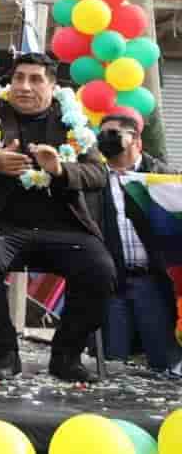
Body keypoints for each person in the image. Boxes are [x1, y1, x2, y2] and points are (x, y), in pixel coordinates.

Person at [0, 53, 114, 382]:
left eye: (35, 79)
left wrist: (59, 169)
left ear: (53, 87)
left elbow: (99, 173)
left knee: (100, 268)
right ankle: (5, 351)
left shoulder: (71, 119)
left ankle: (67, 355)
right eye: (18, 78)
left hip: (63, 228)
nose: (24, 87)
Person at [97, 110, 181, 374]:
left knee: (163, 362)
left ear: (137, 141)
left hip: (154, 280)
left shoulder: (164, 178)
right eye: (102, 135)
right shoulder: (93, 178)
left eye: (114, 134)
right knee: (113, 363)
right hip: (112, 282)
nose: (106, 140)